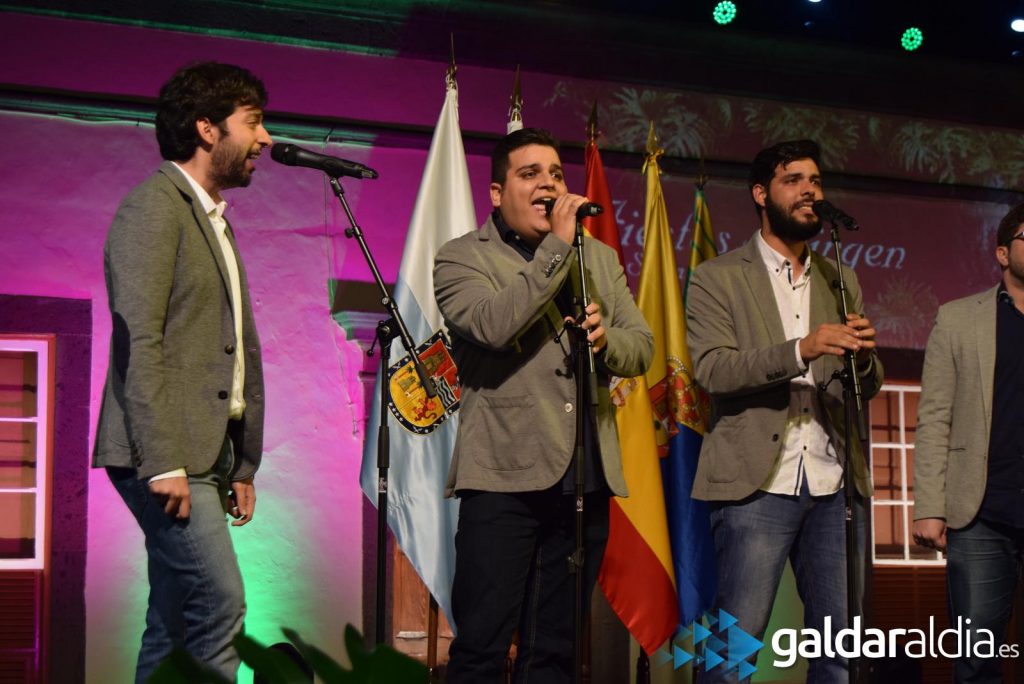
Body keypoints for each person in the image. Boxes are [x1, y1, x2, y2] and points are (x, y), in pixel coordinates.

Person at [433, 127, 653, 682]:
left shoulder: (598, 256)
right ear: (496, 192)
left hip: (583, 477)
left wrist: (606, 340)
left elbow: (642, 346)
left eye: (555, 173)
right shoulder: (461, 257)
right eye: (530, 174)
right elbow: (492, 325)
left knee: (555, 653)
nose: (549, 184)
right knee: (481, 650)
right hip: (502, 477)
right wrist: (557, 247)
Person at [92, 61, 272, 682]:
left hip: (206, 454)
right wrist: (164, 459)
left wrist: (240, 463)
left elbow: (229, 350)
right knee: (219, 605)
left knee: (170, 623)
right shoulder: (154, 208)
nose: (266, 138)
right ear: (207, 128)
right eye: (253, 122)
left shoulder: (212, 217)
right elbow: (139, 339)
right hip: (165, 451)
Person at [686, 139, 883, 682]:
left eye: (815, 181)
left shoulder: (840, 278)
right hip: (757, 486)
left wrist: (865, 360)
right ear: (760, 193)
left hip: (834, 484)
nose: (809, 191)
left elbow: (867, 386)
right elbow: (713, 370)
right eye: (793, 180)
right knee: (732, 653)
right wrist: (801, 350)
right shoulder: (718, 277)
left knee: (840, 654)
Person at [913, 203, 1024, 683]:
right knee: (977, 661)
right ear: (1003, 252)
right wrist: (928, 506)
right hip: (981, 514)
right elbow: (935, 416)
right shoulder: (958, 319)